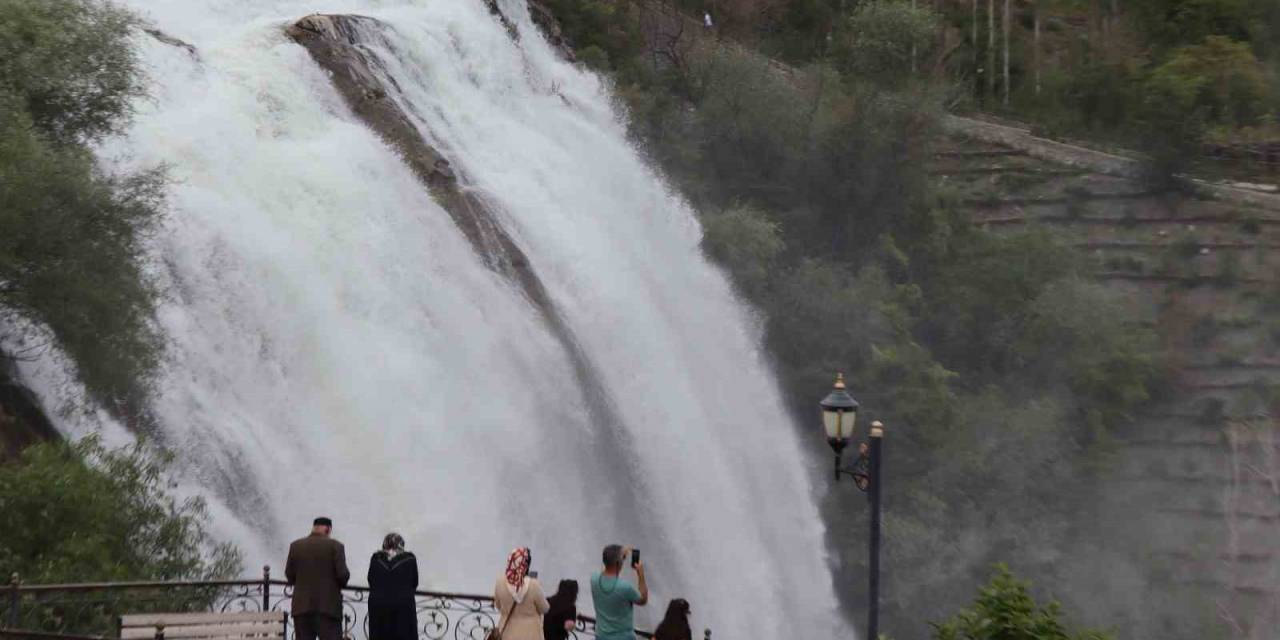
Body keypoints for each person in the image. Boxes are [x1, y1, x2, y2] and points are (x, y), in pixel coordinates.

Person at [285, 517, 351, 640]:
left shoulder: (296, 546)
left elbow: (289, 575)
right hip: (328, 609)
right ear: (328, 529)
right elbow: (343, 576)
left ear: (314, 528)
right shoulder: (336, 546)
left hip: (302, 608)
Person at [589, 545, 648, 640]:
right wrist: (640, 574)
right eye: (623, 559)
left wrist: (621, 552)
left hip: (601, 636)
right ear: (618, 563)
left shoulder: (594, 579)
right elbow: (643, 599)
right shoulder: (625, 587)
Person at [368, 533, 418, 640]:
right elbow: (414, 582)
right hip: (403, 607)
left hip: (379, 607)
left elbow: (370, 579)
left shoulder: (376, 558)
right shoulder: (410, 559)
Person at [493, 547, 550, 640]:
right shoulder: (533, 585)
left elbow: (498, 605)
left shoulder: (500, 582)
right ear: (526, 565)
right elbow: (544, 608)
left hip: (507, 633)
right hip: (530, 634)